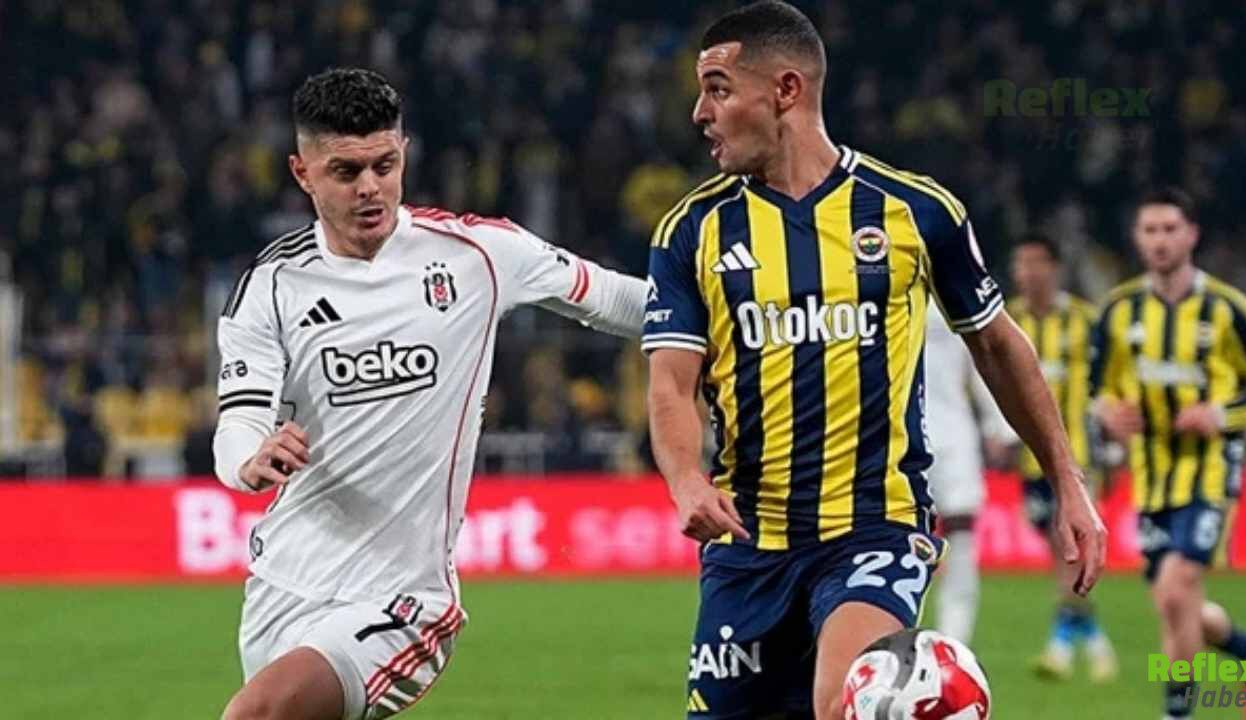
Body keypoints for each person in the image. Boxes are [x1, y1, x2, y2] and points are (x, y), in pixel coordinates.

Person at [642, 3, 1107, 719]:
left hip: (874, 528)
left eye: (718, 89)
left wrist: (1066, 480)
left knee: (848, 703)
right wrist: (683, 478)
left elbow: (997, 344)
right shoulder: (691, 230)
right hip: (747, 546)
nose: (700, 113)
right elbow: (672, 382)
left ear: (786, 90)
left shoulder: (915, 212)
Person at [213, 68, 646, 720]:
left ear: (405, 154)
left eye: (384, 165)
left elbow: (615, 298)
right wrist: (250, 461)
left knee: (257, 715)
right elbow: (238, 421)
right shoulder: (272, 287)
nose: (370, 187)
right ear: (302, 173)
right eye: (345, 171)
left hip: (403, 600)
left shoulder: (477, 254)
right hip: (282, 586)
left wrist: (737, 307)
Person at [1092, 187, 1246, 720]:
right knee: (1178, 605)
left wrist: (1221, 413)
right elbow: (1096, 386)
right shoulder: (1119, 310)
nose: (1160, 240)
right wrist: (1108, 411)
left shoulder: (1227, 308)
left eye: (1170, 229)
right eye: (1150, 230)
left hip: (1210, 471)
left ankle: (1178, 711)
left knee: (1178, 590)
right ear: (1136, 238)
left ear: (1192, 234)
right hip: (1151, 475)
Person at [1006, 233, 1118, 682]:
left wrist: (1112, 446)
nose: (1027, 272)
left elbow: (1108, 383)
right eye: (1021, 263)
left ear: (1054, 268)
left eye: (1036, 262)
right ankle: (1093, 639)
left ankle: (1060, 644)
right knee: (1060, 551)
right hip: (1029, 461)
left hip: (1079, 459)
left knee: (1068, 549)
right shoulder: (1007, 318)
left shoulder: (1085, 320)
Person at [923, 300, 1019, 647]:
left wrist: (999, 427)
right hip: (897, 439)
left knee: (961, 535)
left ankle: (954, 642)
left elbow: (983, 358)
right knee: (898, 540)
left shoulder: (950, 292)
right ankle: (898, 638)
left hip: (954, 436)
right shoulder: (876, 283)